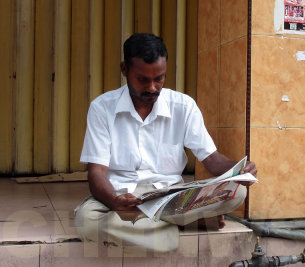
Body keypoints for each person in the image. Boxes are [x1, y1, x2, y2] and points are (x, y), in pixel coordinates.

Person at [74, 33, 257, 252]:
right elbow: (96, 173)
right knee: (86, 220)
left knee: (237, 191)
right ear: (124, 70)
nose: (152, 87)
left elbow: (212, 159)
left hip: (171, 197)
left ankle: (150, 224)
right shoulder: (102, 108)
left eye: (159, 78)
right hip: (123, 196)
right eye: (143, 79)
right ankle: (181, 225)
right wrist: (114, 201)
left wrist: (239, 170)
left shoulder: (183, 106)